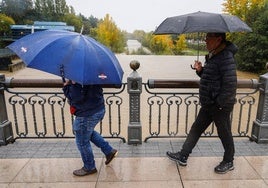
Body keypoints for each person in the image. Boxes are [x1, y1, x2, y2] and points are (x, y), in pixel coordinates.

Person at [166, 32, 238, 174]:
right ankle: (183, 155)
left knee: (224, 133)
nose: (205, 41)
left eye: (208, 39)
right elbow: (211, 77)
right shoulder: (214, 55)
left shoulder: (226, 57)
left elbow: (230, 84)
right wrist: (200, 70)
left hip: (219, 105)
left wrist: (219, 103)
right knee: (196, 129)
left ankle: (229, 161)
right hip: (209, 103)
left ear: (218, 39)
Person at [63, 80, 118, 176]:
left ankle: (89, 167)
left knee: (82, 141)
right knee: (87, 132)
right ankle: (108, 151)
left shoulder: (77, 79)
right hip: (98, 108)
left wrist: (66, 86)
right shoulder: (93, 73)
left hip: (86, 113)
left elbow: (76, 98)